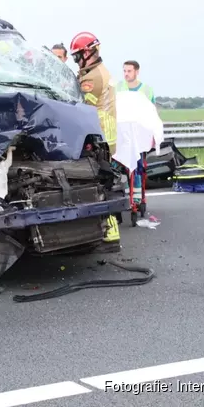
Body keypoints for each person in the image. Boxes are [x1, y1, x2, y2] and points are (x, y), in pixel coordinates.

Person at [69, 31, 121, 251]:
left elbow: (80, 106)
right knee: (102, 182)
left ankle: (110, 236)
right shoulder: (98, 71)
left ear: (88, 52)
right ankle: (105, 234)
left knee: (99, 185)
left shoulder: (92, 77)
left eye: (76, 56)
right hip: (103, 135)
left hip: (96, 137)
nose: (76, 61)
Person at [116, 60, 155, 209]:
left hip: (140, 134)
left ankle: (137, 197)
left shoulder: (146, 90)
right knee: (119, 165)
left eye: (129, 71)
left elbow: (152, 112)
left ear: (136, 72)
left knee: (138, 165)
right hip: (123, 133)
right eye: (124, 71)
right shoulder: (118, 88)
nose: (126, 74)